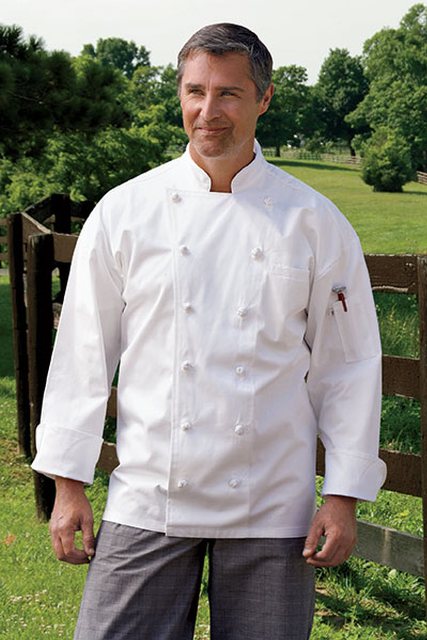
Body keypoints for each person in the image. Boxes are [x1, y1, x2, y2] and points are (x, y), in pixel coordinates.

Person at [32, 23, 386, 640]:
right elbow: (83, 355)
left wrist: (343, 495)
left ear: (265, 98)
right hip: (148, 493)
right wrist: (68, 485)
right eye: (195, 91)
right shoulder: (126, 212)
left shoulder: (314, 221)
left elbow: (348, 367)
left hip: (271, 504)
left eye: (229, 93)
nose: (208, 110)